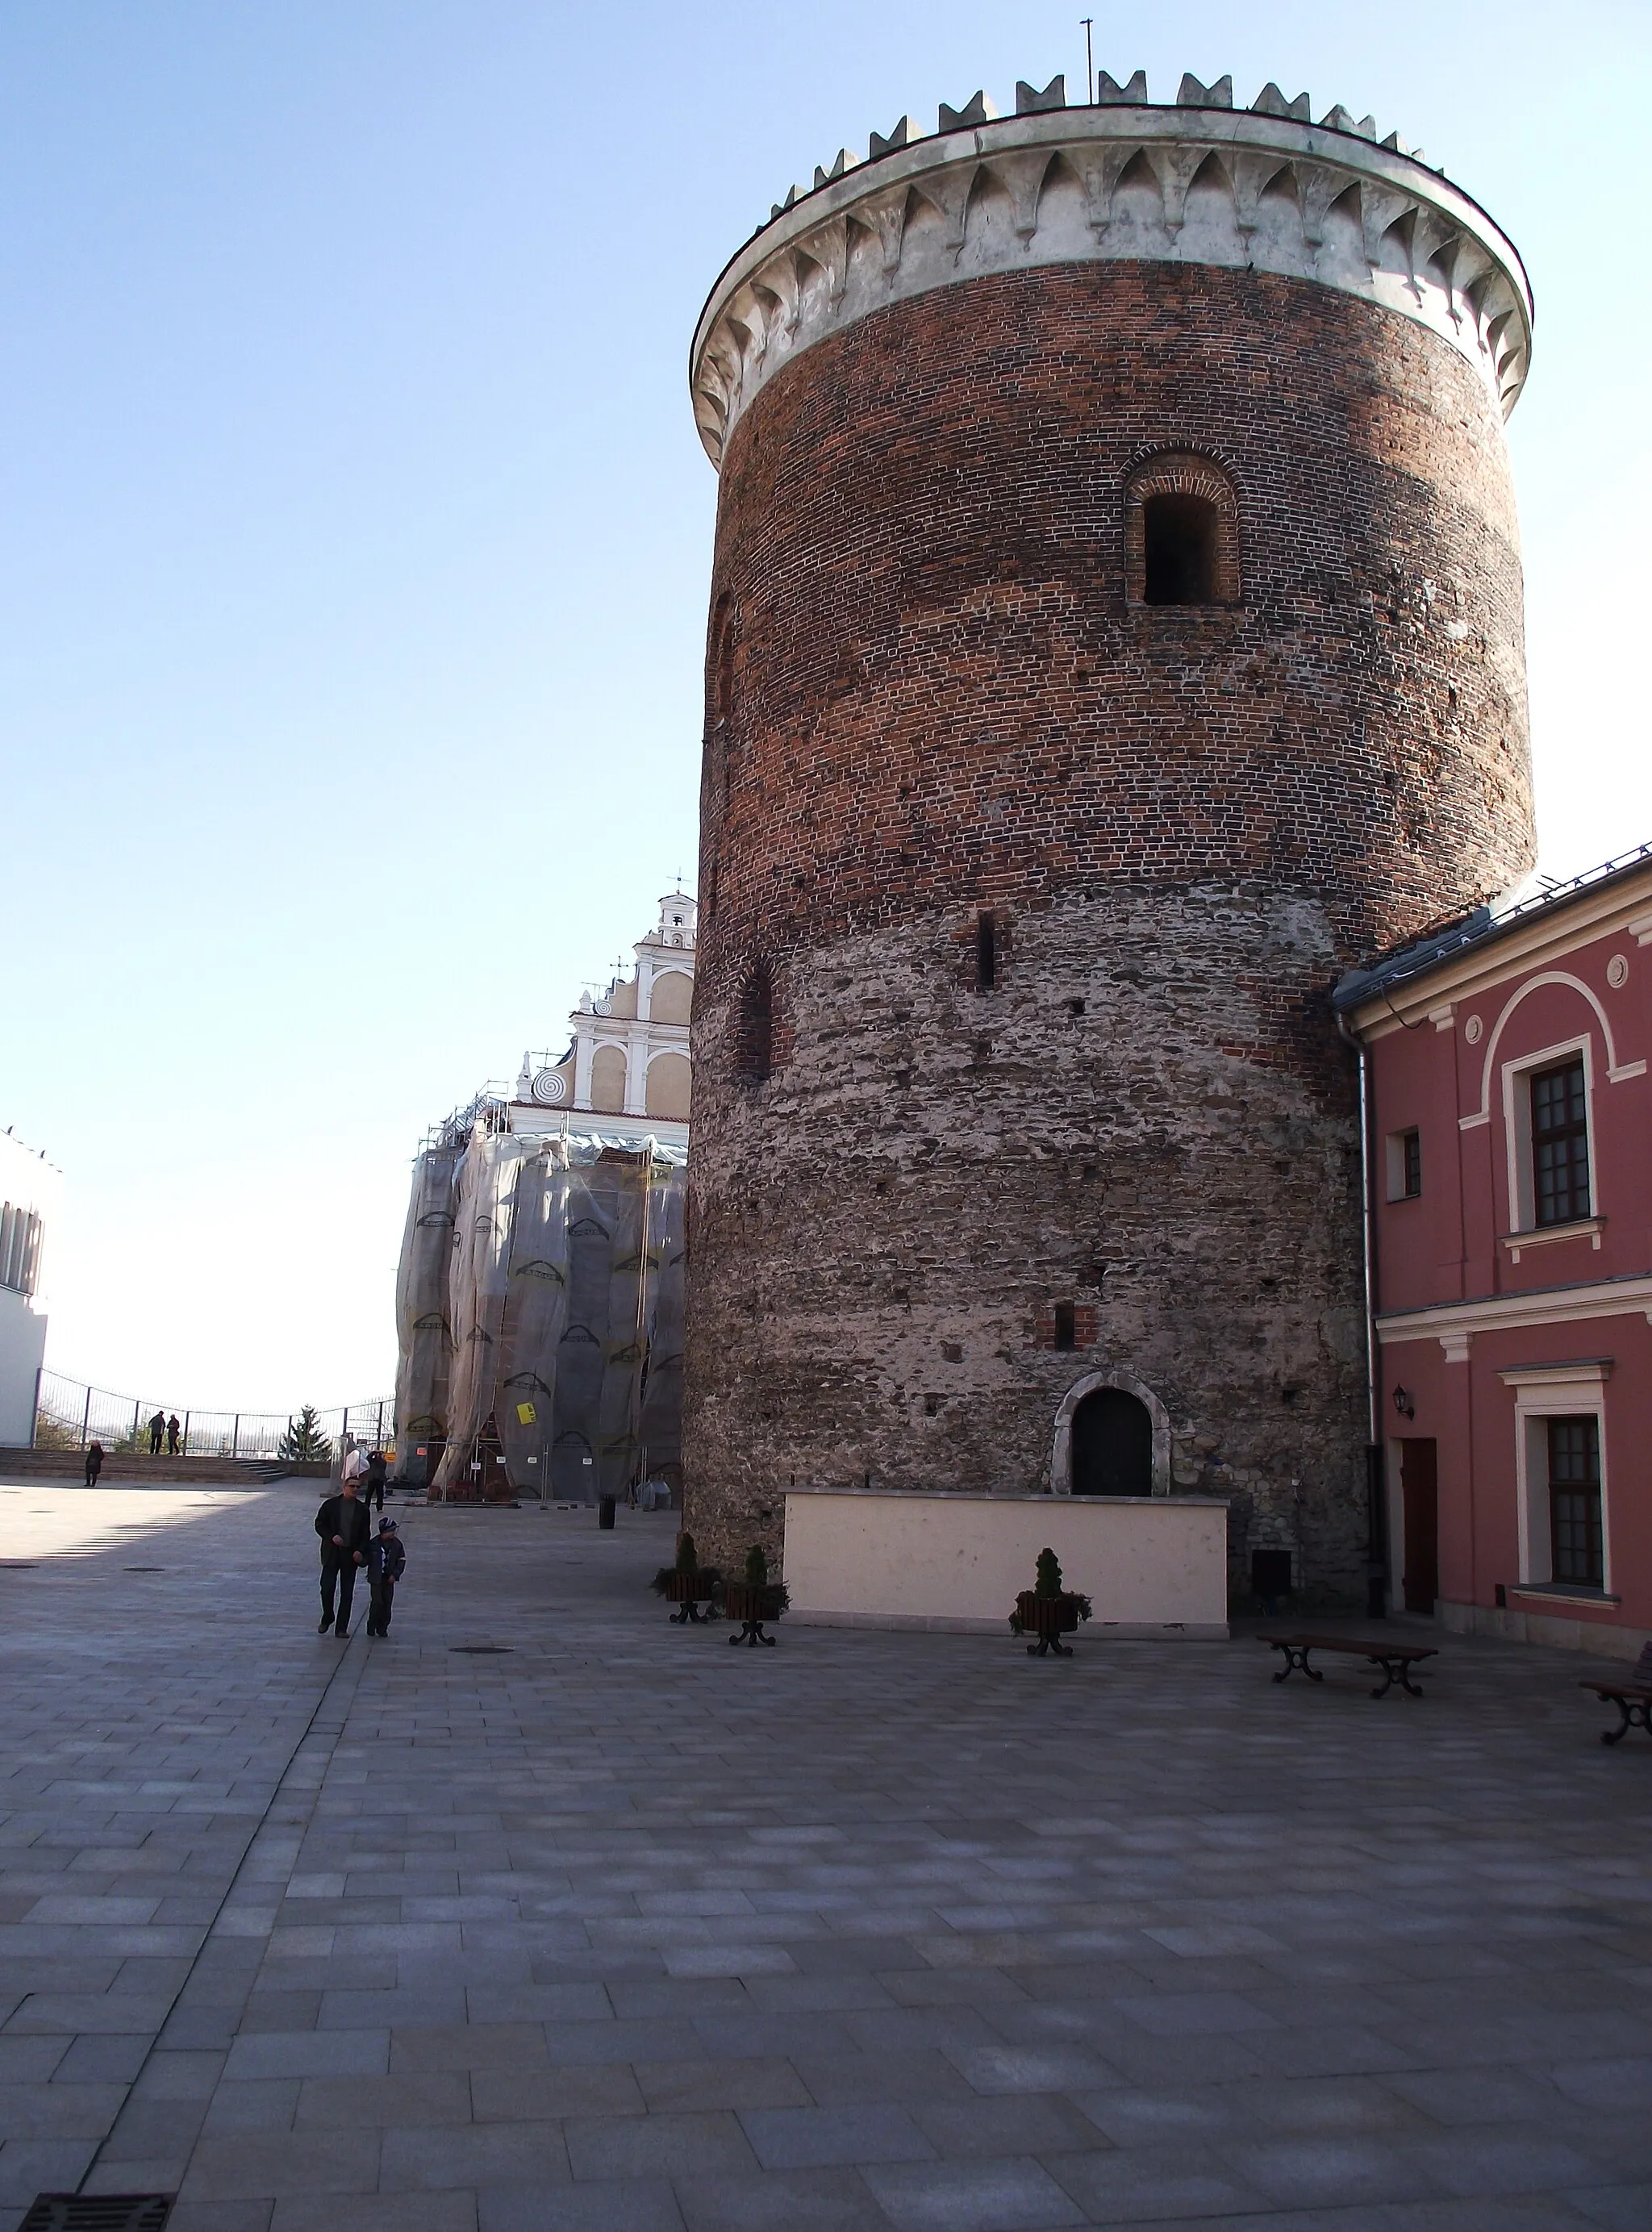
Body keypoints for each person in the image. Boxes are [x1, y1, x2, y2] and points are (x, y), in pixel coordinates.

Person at [314, 1475, 372, 1637]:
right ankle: (328, 1617)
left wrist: (360, 1551)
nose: (354, 1489)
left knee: (347, 1593)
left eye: (357, 1487)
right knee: (327, 1588)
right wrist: (332, 1536)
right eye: (352, 1486)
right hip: (332, 1553)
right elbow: (319, 1524)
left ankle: (341, 1628)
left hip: (350, 1555)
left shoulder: (362, 1510)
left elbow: (365, 1534)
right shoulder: (331, 1505)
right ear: (344, 1487)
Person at [365, 1518, 405, 1637]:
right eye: (390, 1531)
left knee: (387, 1602)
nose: (393, 1534)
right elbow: (366, 1560)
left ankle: (383, 1627)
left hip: (389, 1578)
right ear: (383, 1532)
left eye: (393, 1531)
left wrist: (395, 1574)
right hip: (376, 1578)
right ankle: (372, 1625)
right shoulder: (373, 1544)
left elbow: (401, 1561)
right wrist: (360, 1559)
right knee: (377, 1602)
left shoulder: (397, 1545)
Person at [364, 1448, 386, 1512]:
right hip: (372, 1479)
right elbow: (368, 1458)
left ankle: (379, 1508)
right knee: (369, 1494)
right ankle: (366, 1506)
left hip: (379, 1479)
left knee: (380, 1494)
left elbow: (382, 1464)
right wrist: (374, 1452)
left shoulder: (383, 1462)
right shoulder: (372, 1461)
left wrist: (379, 1456)